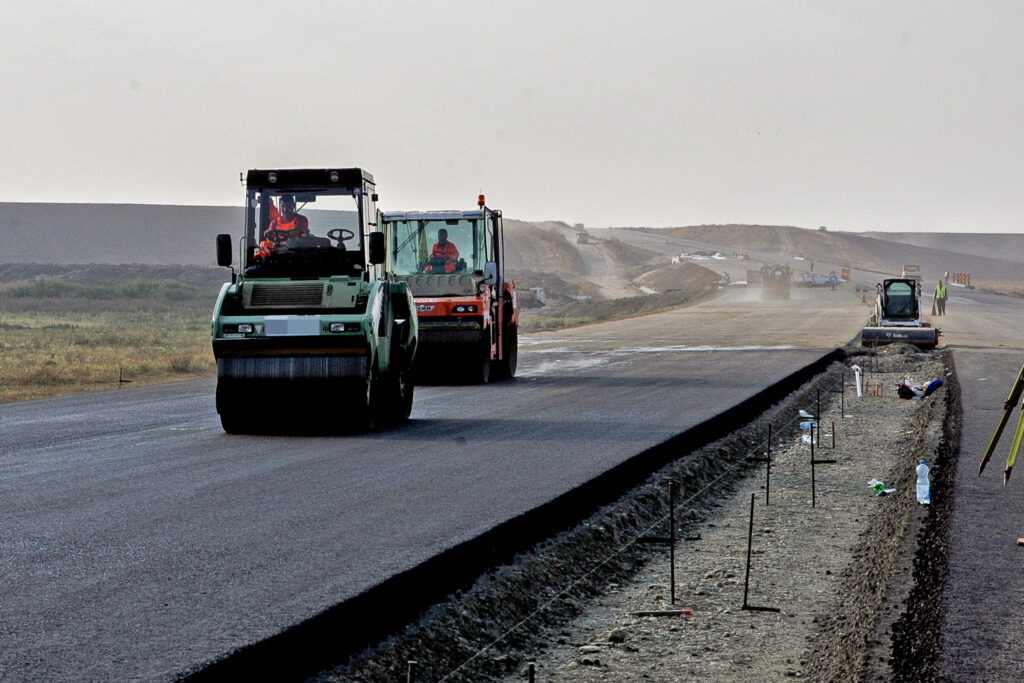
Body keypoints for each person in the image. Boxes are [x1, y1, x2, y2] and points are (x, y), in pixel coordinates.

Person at [255, 194, 310, 260]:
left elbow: (296, 231)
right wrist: (268, 234)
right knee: (263, 244)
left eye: (288, 206)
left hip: (296, 253)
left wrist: (279, 233)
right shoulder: (275, 222)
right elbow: (269, 236)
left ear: (293, 206)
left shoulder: (301, 219)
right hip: (278, 250)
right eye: (283, 206)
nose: (285, 209)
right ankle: (260, 260)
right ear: (280, 207)